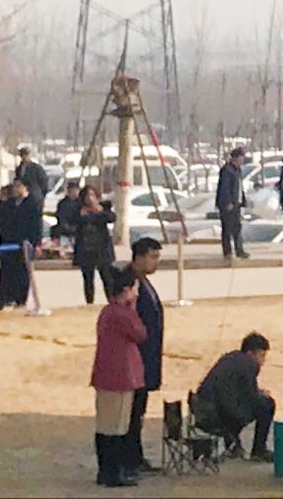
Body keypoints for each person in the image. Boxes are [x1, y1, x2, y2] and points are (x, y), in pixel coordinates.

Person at [90, 265, 146, 488]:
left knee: (106, 424)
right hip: (120, 376)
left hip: (106, 375)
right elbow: (140, 333)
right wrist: (132, 308)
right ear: (126, 289)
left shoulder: (108, 311)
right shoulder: (122, 314)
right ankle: (113, 472)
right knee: (116, 427)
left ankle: (107, 471)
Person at [118, 237, 165, 480]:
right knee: (131, 412)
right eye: (152, 256)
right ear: (139, 257)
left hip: (148, 356)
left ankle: (135, 457)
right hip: (135, 357)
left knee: (139, 411)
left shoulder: (144, 282)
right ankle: (127, 460)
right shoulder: (129, 282)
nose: (156, 262)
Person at [192, 331, 275, 461]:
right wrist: (262, 395)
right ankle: (259, 450)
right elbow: (251, 395)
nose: (263, 360)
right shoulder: (249, 364)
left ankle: (233, 444)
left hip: (202, 409)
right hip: (215, 415)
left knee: (236, 404)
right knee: (267, 405)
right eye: (261, 355)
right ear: (250, 353)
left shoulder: (229, 358)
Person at [0, 180, 35, 309]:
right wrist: (1, 201)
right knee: (4, 273)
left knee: (22, 273)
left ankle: (20, 300)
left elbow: (35, 224)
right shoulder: (9, 203)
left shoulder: (31, 202)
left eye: (18, 186)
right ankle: (1, 300)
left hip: (23, 243)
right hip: (8, 242)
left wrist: (35, 243)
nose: (15, 189)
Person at [74, 186, 118, 303]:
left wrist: (97, 212)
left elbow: (111, 218)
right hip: (86, 248)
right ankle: (89, 302)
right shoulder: (78, 210)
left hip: (102, 249)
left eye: (92, 195)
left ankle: (112, 301)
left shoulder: (103, 208)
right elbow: (74, 220)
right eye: (87, 196)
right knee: (88, 278)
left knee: (107, 277)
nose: (90, 198)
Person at [216, 149, 249, 260]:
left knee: (237, 228)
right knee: (227, 228)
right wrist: (227, 202)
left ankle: (239, 250)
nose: (242, 160)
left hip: (236, 204)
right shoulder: (227, 170)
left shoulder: (237, 170)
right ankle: (227, 252)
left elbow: (239, 187)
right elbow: (225, 188)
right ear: (236, 157)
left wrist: (243, 200)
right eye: (241, 157)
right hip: (228, 204)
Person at [53, 179, 83, 250]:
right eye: (71, 190)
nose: (73, 192)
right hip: (64, 232)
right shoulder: (63, 203)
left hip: (79, 232)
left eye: (75, 190)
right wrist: (67, 227)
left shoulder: (81, 203)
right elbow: (60, 217)